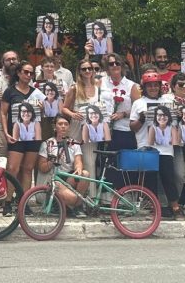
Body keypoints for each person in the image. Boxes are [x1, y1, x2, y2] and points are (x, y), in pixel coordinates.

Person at [0, 61, 44, 214]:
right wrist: (6, 132)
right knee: (12, 168)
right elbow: (3, 113)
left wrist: (42, 107)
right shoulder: (10, 91)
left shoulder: (37, 93)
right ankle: (7, 202)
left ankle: (23, 202)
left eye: (31, 73)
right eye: (25, 72)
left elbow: (43, 114)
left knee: (28, 169)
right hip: (16, 135)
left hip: (33, 136)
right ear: (18, 73)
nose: (28, 75)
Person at [98, 53, 142, 189]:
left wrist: (123, 113)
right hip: (104, 130)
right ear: (107, 68)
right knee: (106, 165)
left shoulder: (132, 86)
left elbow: (138, 109)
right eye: (111, 64)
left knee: (125, 165)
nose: (115, 66)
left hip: (124, 130)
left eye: (118, 63)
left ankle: (125, 196)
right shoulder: (100, 82)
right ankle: (107, 197)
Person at [61, 59, 100, 193]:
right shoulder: (74, 88)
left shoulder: (98, 88)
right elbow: (64, 108)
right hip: (77, 127)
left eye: (90, 68)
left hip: (92, 128)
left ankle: (92, 197)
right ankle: (70, 195)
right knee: (73, 161)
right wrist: (72, 114)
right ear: (79, 71)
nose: (88, 71)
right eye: (84, 69)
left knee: (90, 162)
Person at [37, 116, 89, 217]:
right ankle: (71, 204)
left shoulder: (74, 143)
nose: (63, 127)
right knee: (73, 198)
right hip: (55, 179)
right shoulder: (48, 144)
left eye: (66, 124)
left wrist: (78, 168)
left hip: (69, 177)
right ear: (55, 127)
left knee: (85, 174)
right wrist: (52, 160)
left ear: (69, 127)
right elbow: (42, 168)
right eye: (60, 124)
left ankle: (76, 208)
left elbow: (78, 161)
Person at [146, 105, 183, 219]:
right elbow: (150, 143)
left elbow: (175, 142)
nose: (162, 117)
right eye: (159, 115)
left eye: (164, 115)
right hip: (154, 154)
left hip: (167, 154)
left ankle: (175, 207)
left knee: (168, 180)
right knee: (152, 181)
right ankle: (155, 209)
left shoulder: (172, 128)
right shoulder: (153, 127)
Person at [0, 50, 20, 158]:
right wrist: (0, 101)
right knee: (1, 157)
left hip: (20, 121)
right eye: (8, 59)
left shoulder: (24, 77)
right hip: (0, 122)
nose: (11, 61)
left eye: (14, 59)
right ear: (3, 62)